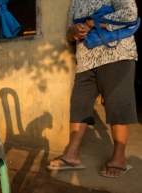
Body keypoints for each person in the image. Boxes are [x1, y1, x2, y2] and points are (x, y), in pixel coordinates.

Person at [47, 0, 139, 178]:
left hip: (117, 54)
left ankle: (119, 158)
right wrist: (73, 32)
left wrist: (91, 23)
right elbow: (70, 29)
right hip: (86, 60)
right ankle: (72, 155)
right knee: (79, 104)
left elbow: (130, 14)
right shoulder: (76, 1)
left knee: (117, 104)